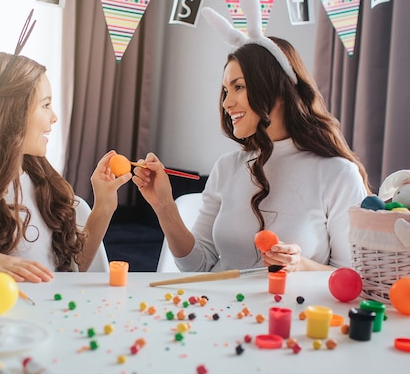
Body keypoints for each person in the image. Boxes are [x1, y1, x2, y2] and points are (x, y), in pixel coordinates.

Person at [133, 38, 370, 272]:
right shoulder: (226, 167)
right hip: (218, 307)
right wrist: (163, 205)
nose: (226, 103)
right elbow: (197, 266)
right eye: (226, 90)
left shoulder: (338, 174)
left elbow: (353, 279)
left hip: (290, 309)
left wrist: (300, 266)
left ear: (277, 88)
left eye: (238, 87)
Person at [0, 52, 131, 282]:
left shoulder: (49, 187)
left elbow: (74, 270)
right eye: (46, 105)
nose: (54, 117)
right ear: (11, 114)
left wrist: (104, 204)